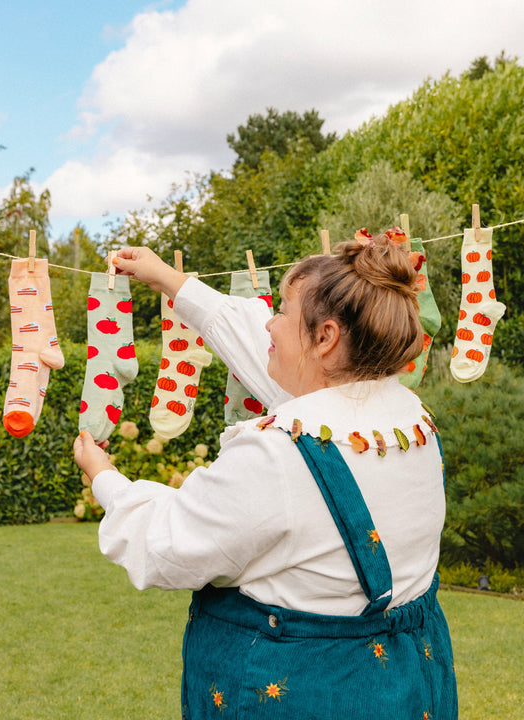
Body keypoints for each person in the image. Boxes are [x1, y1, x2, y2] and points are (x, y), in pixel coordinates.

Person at [73, 235, 458, 719]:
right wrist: (170, 281)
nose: (269, 323)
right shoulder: (410, 419)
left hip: (301, 693)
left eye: (282, 310)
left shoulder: (278, 456)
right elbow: (259, 341)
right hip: (409, 687)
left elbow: (165, 546)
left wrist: (106, 478)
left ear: (326, 338)